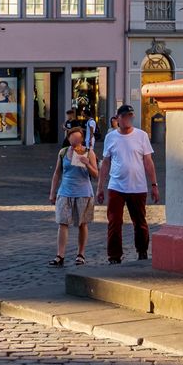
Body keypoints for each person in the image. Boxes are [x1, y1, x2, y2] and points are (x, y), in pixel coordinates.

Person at [98, 105, 159, 264]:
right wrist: (100, 187)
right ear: (117, 118)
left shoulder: (141, 136)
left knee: (140, 222)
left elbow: (148, 162)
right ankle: (114, 256)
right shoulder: (111, 137)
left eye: (130, 116)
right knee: (114, 222)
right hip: (116, 185)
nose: (128, 119)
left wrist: (154, 185)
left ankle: (142, 251)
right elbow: (105, 163)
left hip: (137, 186)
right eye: (124, 116)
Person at [48, 126, 99, 266]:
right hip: (65, 192)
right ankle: (60, 255)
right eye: (73, 139)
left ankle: (80, 254)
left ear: (82, 139)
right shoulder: (63, 152)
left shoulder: (89, 153)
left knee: (82, 224)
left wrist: (87, 164)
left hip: (83, 193)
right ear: (69, 138)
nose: (75, 142)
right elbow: (57, 173)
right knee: (62, 223)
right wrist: (53, 193)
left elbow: (95, 175)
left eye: (78, 139)